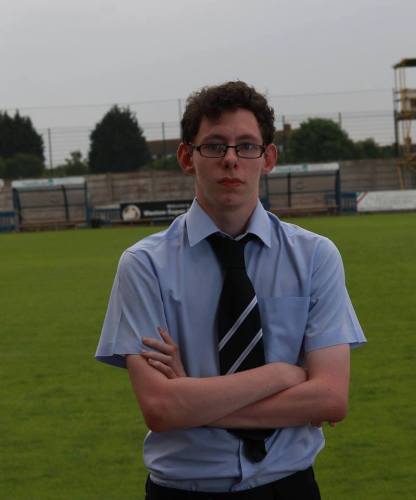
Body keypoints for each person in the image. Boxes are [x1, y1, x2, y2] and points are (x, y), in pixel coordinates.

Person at [95, 81, 366, 499]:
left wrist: (193, 398)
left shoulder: (315, 256)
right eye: (214, 145)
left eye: (247, 146)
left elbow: (330, 399)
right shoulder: (144, 265)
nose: (231, 159)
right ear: (187, 157)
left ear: (268, 158)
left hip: (289, 487)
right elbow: (161, 409)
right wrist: (281, 375)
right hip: (183, 490)